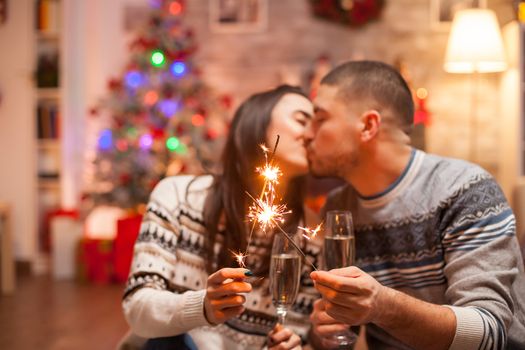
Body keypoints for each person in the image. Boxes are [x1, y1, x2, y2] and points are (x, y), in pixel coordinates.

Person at [303, 60, 525, 350]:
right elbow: (343, 333)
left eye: (320, 118)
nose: (307, 133)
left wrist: (384, 306)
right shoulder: (339, 207)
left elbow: (488, 332)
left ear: (368, 126)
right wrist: (325, 334)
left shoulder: (464, 189)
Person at [122, 85, 322, 349]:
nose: (311, 134)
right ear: (256, 121)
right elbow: (138, 309)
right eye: (301, 120)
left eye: (317, 125)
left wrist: (290, 344)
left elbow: (299, 331)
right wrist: (203, 306)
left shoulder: (311, 236)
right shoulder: (179, 197)